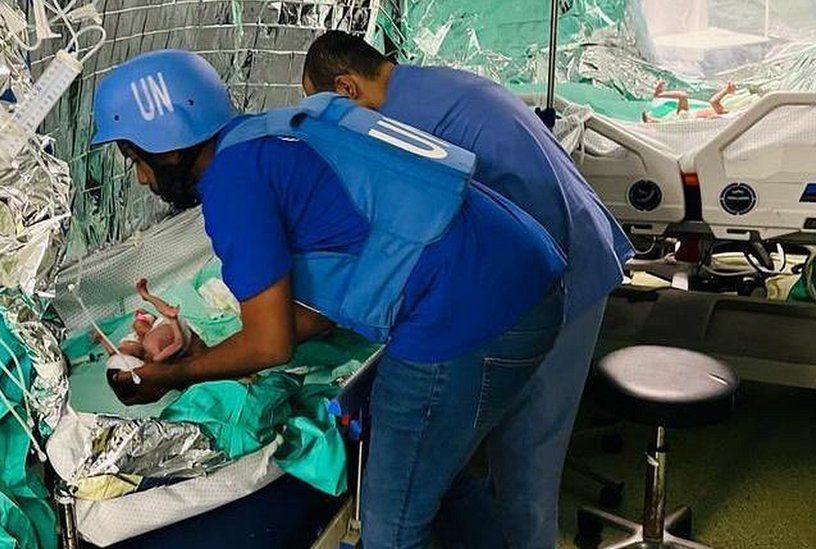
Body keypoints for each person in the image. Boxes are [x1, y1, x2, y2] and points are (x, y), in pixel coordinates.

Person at [90, 49, 570, 548]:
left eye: (135, 160)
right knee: (431, 481)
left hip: (468, 311)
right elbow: (313, 317)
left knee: (390, 524)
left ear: (165, 147)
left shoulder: (232, 181)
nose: (143, 179)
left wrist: (172, 376)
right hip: (522, 272)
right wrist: (211, 352)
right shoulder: (279, 132)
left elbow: (271, 344)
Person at [302, 30, 634, 548]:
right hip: (561, 251)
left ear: (346, 88)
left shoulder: (412, 124)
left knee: (526, 463)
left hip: (564, 277)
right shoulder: (431, 85)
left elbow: (410, 238)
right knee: (482, 460)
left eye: (328, 109)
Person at [642, 80, 737, 123]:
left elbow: (713, 101)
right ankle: (659, 94)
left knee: (672, 121)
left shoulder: (727, 114)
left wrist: (725, 91)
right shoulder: (729, 113)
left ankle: (652, 121)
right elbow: (714, 102)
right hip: (690, 114)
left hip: (689, 119)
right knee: (683, 95)